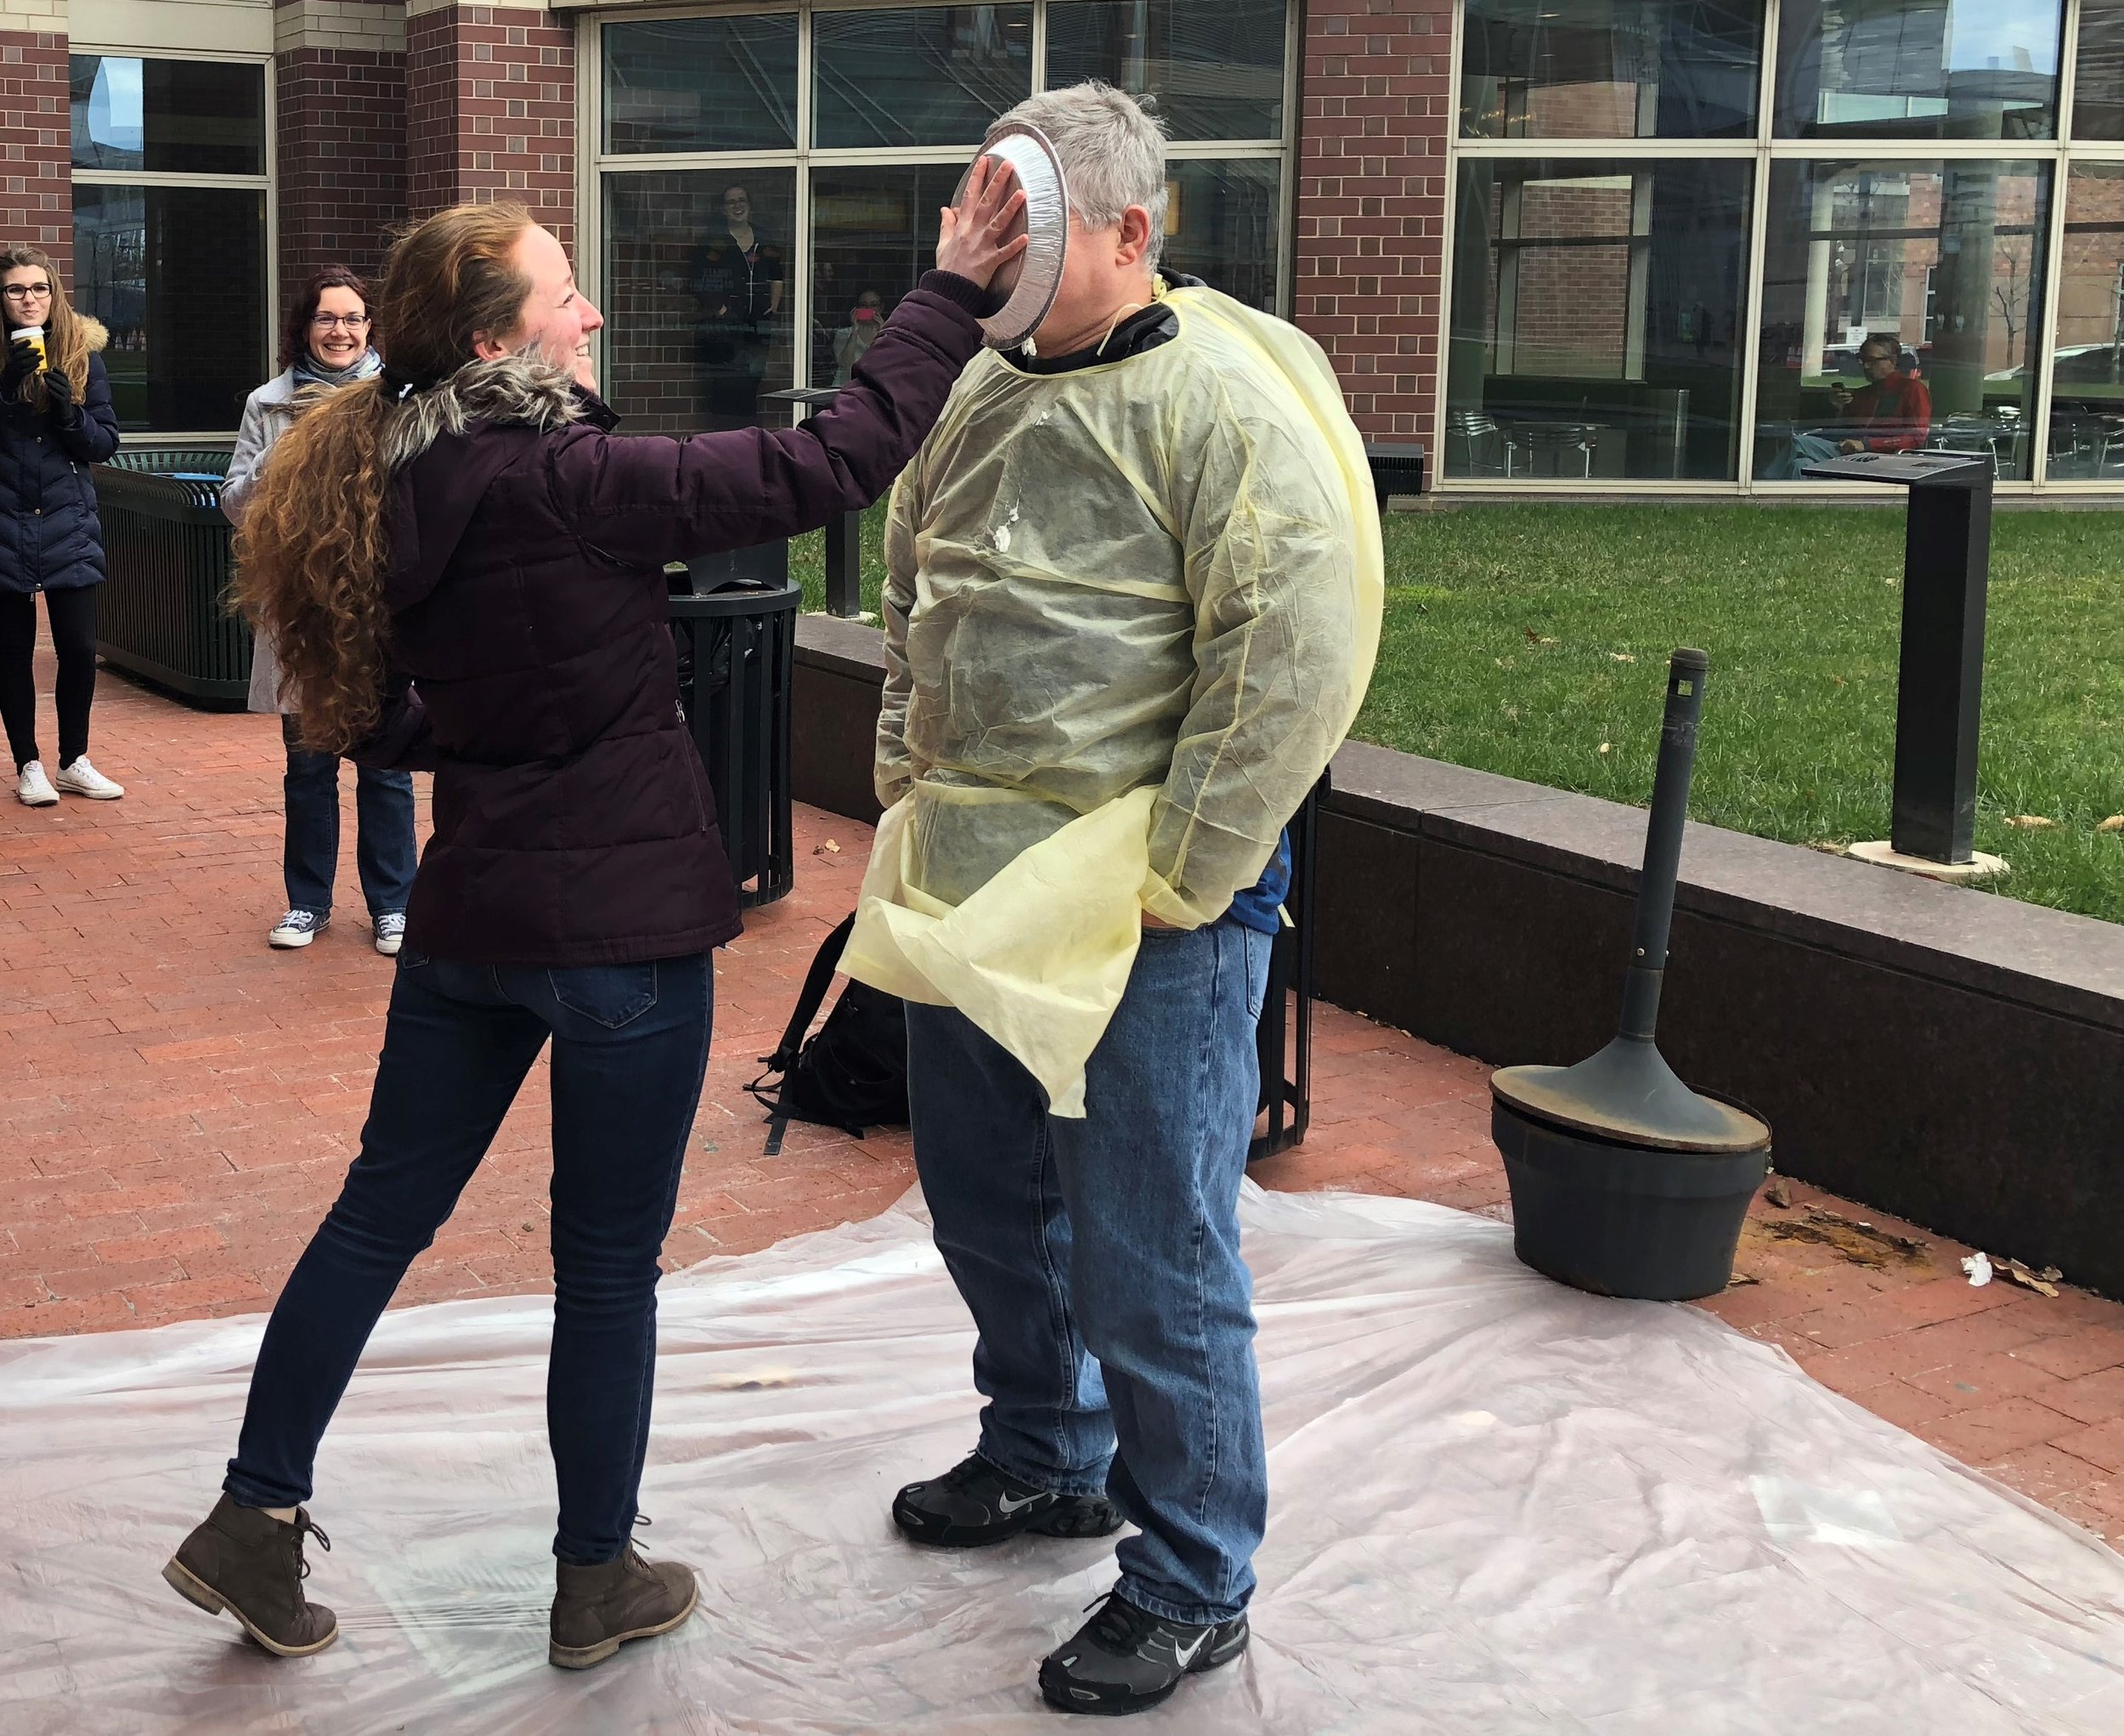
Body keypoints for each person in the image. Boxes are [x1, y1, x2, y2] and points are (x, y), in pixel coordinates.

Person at [161, 169, 1026, 1669]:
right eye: (569, 292)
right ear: (500, 339)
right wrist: (944, 295)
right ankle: (595, 1575)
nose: (595, 310)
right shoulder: (566, 477)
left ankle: (253, 1512)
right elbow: (835, 461)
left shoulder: (397, 479)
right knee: (606, 1264)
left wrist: (495, 738)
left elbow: (381, 716)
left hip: (473, 919)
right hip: (618, 934)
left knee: (378, 1213)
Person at [848, 86, 1380, 1716]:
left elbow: (1287, 649)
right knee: (986, 1195)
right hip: (982, 883)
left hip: (1150, 902)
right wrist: (905, 781)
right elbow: (916, 588)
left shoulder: (1221, 407)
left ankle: (1194, 1570)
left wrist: (1189, 870)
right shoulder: (977, 390)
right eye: (975, 216)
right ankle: (1045, 1449)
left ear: (1131, 234)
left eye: (1024, 226)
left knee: (1153, 1248)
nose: (985, 253)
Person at [222, 268, 417, 957]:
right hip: (302, 603)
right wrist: (285, 457)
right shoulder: (268, 405)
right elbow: (234, 503)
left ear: (371, 327)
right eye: (327, 319)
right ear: (303, 328)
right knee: (308, 764)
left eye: (354, 319)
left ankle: (395, 904)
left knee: (386, 761)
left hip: (377, 601)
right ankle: (308, 903)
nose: (341, 331)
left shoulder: (403, 398)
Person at [0, 246, 123, 806]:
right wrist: (7, 392)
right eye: (16, 289)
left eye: (39, 288)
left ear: (54, 294)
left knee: (77, 646)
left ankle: (74, 759)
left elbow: (104, 441)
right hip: (5, 521)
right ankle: (28, 763)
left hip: (68, 521)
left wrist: (69, 414)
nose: (30, 298)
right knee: (12, 651)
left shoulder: (81, 355)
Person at [1766, 331, 1932, 477]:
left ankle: (1764, 482)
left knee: (1798, 443)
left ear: (1892, 361)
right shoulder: (1862, 394)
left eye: (1871, 360)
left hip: (1884, 459)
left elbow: (1917, 437)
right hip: (1853, 455)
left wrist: (1867, 444)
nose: (1865, 366)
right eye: (1861, 360)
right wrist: (1838, 409)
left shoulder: (1912, 389)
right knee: (1800, 465)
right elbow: (1843, 431)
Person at [689, 184, 786, 428]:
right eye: (731, 202)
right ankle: (723, 436)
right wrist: (720, 310)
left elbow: (777, 273)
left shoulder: (764, 237)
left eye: (742, 200)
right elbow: (698, 279)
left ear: (750, 205)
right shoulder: (714, 240)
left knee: (753, 378)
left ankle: (747, 434)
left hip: (758, 321)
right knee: (726, 383)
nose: (737, 206)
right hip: (725, 325)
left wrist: (773, 304)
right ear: (723, 209)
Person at [831, 288, 885, 386]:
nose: (868, 309)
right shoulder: (843, 334)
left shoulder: (887, 334)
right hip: (845, 388)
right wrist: (854, 331)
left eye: (873, 305)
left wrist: (883, 333)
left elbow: (888, 362)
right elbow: (845, 363)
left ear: (881, 308)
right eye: (863, 305)